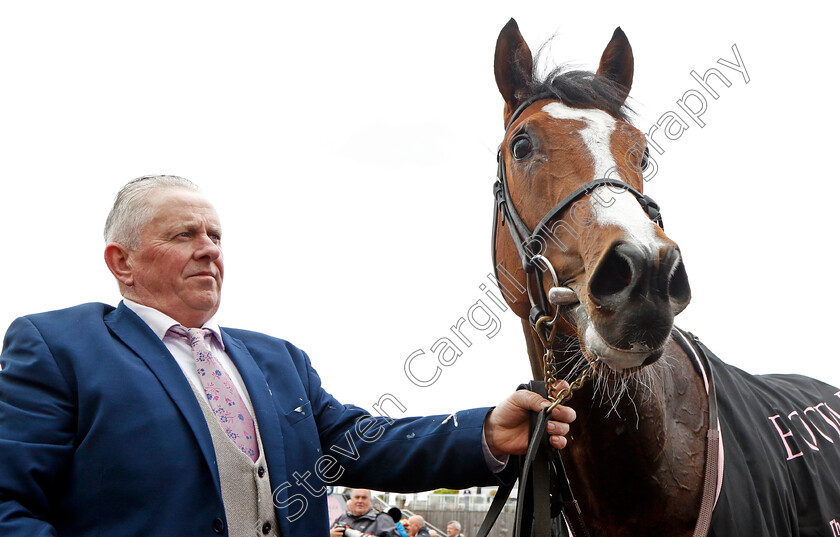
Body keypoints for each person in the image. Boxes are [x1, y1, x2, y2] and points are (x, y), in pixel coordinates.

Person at [0, 175, 576, 537]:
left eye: (216, 237)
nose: (209, 250)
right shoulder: (57, 346)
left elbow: (360, 441)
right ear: (121, 262)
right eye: (183, 236)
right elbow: (11, 504)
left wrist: (484, 432)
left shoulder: (278, 360)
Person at [330, 489, 399, 537]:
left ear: (370, 500)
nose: (360, 501)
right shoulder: (342, 518)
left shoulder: (383, 520)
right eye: (357, 497)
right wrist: (330, 534)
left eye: (364, 497)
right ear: (351, 499)